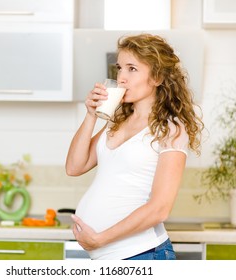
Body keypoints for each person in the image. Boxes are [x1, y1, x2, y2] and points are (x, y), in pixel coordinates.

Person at [65, 33, 204, 260]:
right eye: (119, 68)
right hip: (110, 257)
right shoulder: (117, 123)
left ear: (157, 77)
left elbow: (160, 208)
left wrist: (100, 239)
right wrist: (91, 116)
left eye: (132, 69)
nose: (121, 78)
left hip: (141, 253)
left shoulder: (170, 129)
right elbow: (74, 167)